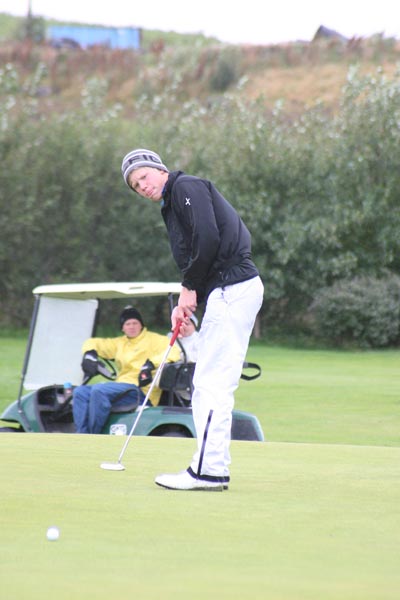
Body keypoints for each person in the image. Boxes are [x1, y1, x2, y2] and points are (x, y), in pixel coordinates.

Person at [121, 148, 264, 491]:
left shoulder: (186, 187)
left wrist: (188, 288)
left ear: (160, 169)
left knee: (211, 384)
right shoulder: (171, 204)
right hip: (226, 290)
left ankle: (209, 470)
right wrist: (190, 301)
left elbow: (208, 238)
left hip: (232, 288)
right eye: (135, 185)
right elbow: (200, 255)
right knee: (210, 382)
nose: (142, 186)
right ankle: (212, 467)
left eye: (144, 177)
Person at [72, 306, 181, 434]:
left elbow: (174, 351)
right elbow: (92, 342)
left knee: (99, 391)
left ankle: (93, 435)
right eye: (127, 324)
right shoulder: (120, 343)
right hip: (120, 389)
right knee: (80, 392)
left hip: (141, 391)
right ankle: (82, 434)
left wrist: (151, 363)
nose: (132, 327)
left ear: (141, 325)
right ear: (122, 328)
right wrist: (89, 353)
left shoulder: (155, 340)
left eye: (135, 323)